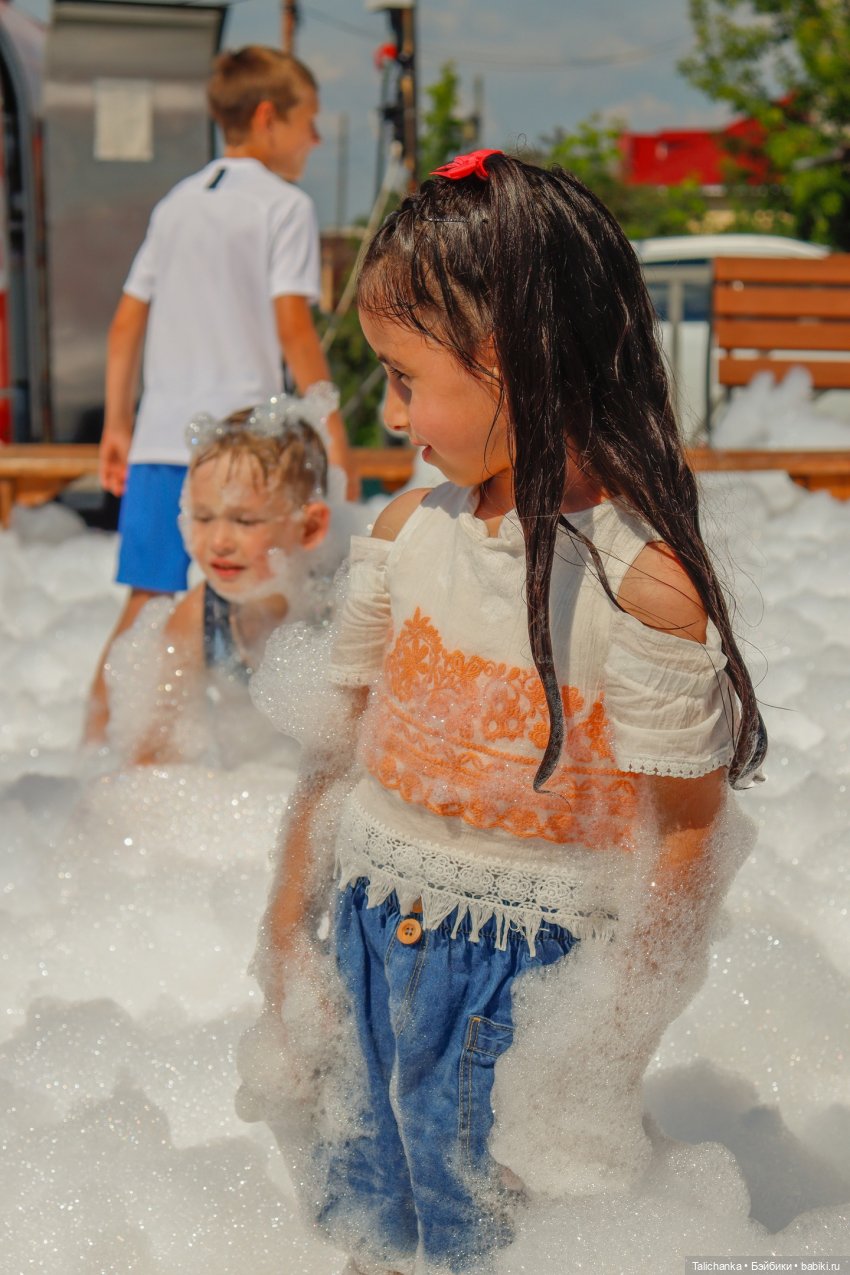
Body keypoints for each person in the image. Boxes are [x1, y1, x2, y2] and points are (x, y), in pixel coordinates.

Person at [242, 151, 766, 1274]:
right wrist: (290, 930)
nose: (390, 416)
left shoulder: (641, 584)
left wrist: (603, 1045)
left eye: (402, 378)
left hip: (525, 994)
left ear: (520, 365)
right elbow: (335, 763)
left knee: (502, 1237)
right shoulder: (401, 538)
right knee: (366, 1217)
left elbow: (682, 832)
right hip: (368, 940)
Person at [86, 45, 355, 742]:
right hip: (244, 450)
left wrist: (118, 422)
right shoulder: (285, 206)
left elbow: (124, 324)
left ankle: (97, 749)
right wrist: (329, 425)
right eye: (309, 123)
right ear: (268, 119)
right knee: (269, 602)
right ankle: (269, 752)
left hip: (159, 437)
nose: (314, 141)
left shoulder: (176, 203)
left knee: (147, 610)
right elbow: (292, 324)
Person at [104, 392, 331, 768]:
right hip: (246, 796)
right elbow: (153, 750)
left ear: (309, 527)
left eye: (244, 521)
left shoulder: (339, 605)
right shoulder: (200, 616)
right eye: (204, 517)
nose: (219, 542)